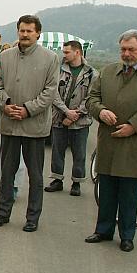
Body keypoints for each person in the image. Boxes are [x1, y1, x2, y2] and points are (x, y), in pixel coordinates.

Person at [85, 29, 137, 252]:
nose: (126, 53)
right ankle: (103, 230)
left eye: (131, 49)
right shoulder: (107, 72)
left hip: (136, 142)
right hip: (109, 139)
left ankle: (127, 235)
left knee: (129, 193)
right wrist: (100, 111)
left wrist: (133, 126)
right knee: (107, 189)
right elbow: (92, 98)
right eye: (123, 49)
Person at [0, 14, 59, 232]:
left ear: (38, 33)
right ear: (17, 31)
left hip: (35, 126)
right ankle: (3, 213)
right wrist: (6, 104)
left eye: (30, 31)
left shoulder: (50, 58)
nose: (25, 34)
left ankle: (32, 218)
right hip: (10, 123)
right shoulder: (5, 56)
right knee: (7, 172)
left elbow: (50, 93)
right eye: (22, 30)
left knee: (35, 175)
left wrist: (28, 109)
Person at [44, 40, 97, 196]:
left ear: (77, 52)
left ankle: (76, 182)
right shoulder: (58, 70)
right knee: (57, 151)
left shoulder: (91, 73)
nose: (64, 55)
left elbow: (91, 98)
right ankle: (57, 179)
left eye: (67, 52)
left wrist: (75, 114)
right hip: (59, 118)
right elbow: (53, 93)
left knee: (79, 152)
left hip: (80, 122)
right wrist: (66, 112)